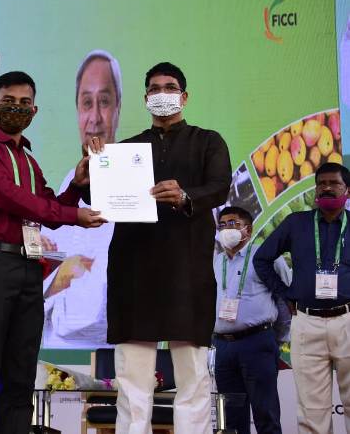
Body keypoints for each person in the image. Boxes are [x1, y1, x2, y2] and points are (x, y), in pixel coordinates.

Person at [0, 70, 105, 434]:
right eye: (8, 101)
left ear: (35, 111)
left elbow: (47, 208)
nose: (17, 108)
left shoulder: (29, 161)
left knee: (21, 372)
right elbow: (8, 196)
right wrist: (72, 214)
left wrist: (77, 186)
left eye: (25, 103)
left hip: (27, 267)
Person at [96, 62, 232, 434]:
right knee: (132, 382)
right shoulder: (124, 149)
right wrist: (93, 166)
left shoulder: (208, 141)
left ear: (184, 97)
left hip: (186, 273)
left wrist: (186, 196)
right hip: (133, 272)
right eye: (154, 89)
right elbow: (100, 198)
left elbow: (220, 186)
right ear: (145, 98)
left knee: (193, 379)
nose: (162, 94)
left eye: (169, 87)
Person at [254, 162, 350, 433]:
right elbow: (262, 259)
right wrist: (285, 294)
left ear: (347, 190)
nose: (327, 188)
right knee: (311, 409)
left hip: (348, 320)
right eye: (321, 183)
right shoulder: (296, 223)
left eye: (334, 183)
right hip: (307, 322)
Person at [41, 49, 121, 348]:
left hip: (113, 338)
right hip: (58, 339)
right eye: (87, 103)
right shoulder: (68, 183)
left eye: (105, 101)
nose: (95, 118)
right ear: (77, 111)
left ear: (118, 107)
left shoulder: (133, 177)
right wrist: (63, 269)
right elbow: (52, 267)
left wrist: (78, 268)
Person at [213, 206, 290, 434]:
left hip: (257, 342)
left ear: (248, 229)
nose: (226, 229)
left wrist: (275, 339)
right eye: (222, 225)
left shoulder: (265, 257)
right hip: (223, 345)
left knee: (265, 412)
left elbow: (285, 301)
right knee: (229, 416)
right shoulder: (217, 261)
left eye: (233, 223)